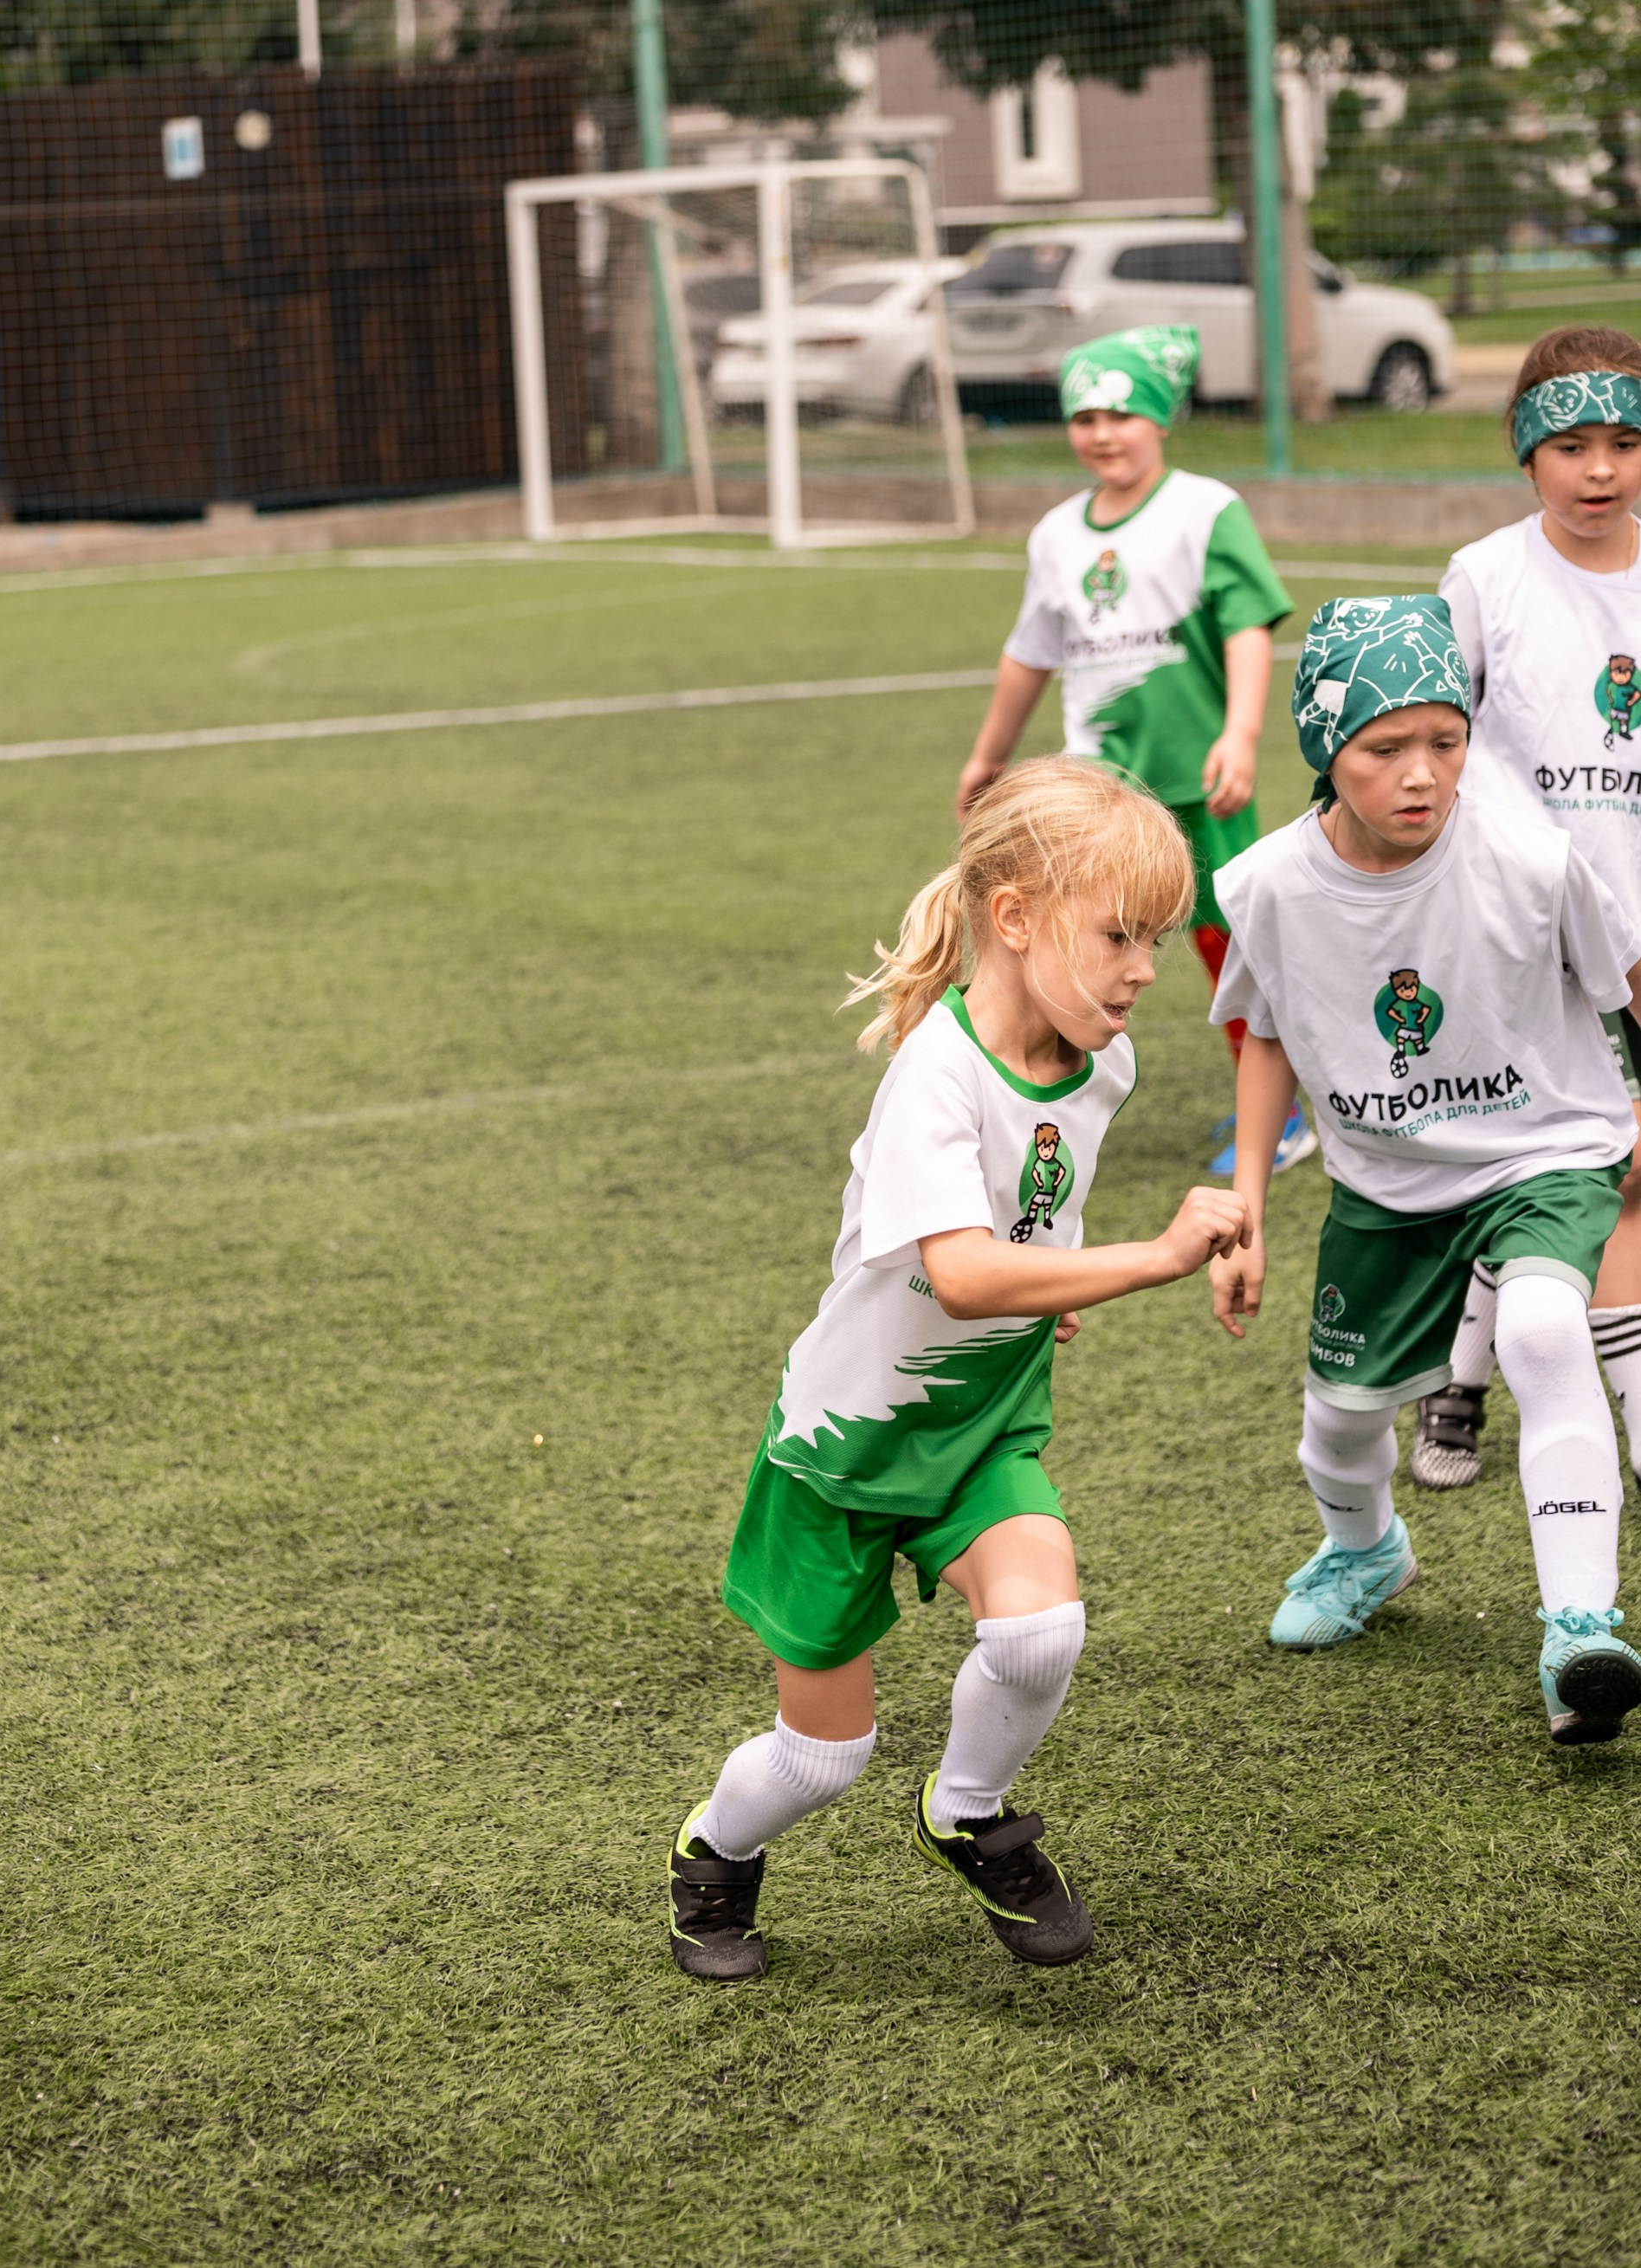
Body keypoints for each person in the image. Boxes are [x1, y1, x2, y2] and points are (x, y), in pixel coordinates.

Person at [668, 759, 1250, 1982]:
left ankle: (968, 1811)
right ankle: (713, 1857)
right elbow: (965, 1273)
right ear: (1016, 917)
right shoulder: (932, 1072)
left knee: (1041, 1629)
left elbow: (1023, 1236)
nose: (1148, 968)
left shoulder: (1106, 1059)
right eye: (1119, 935)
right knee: (824, 1756)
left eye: (1154, 937)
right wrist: (1144, 1257)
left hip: (982, 1427)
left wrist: (1062, 1282)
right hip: (845, 1446)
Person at [1207, 594, 1641, 1748]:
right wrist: (1247, 1193)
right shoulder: (1265, 886)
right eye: (1383, 747)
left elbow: (1626, 981)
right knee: (1343, 1422)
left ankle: (1579, 1630)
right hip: (1385, 1181)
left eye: (1445, 742)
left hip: (1544, 1148)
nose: (1422, 774)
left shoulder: (1533, 862)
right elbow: (1265, 1034)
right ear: (1324, 749)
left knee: (1544, 1332)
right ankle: (1366, 1550)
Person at [953, 322, 1311, 1179]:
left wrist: (1241, 734)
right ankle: (1054, 1108)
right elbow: (1030, 651)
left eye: (1121, 413)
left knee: (1231, 942)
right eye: (1085, 417)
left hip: (1197, 778)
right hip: (1098, 787)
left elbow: (1248, 627)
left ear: (1159, 419)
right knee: (1079, 939)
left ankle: (1280, 1111)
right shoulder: (1055, 536)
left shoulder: (1206, 509)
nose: (1103, 433)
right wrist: (988, 754)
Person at [1414, 327, 1641, 1491]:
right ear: (1524, 451)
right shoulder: (1486, 576)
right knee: (1533, 1167)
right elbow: (1434, 740)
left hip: (1639, 942)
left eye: (1623, 442)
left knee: (1627, 1169)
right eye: (1569, 445)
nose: (1598, 471)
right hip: (1514, 934)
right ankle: (1460, 1384)